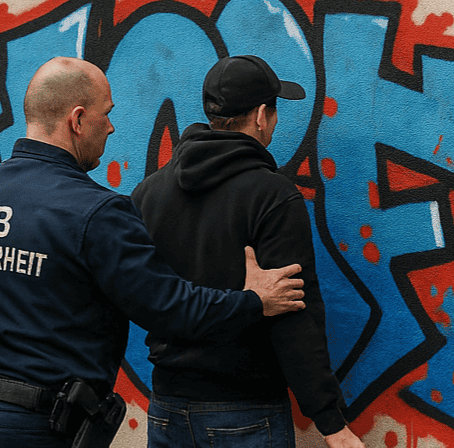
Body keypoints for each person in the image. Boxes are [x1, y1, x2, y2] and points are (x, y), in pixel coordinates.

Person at [0, 56, 307, 447]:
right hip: (40, 428)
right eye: (105, 114)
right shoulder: (95, 212)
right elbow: (171, 308)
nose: (111, 127)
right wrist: (253, 301)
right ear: (77, 121)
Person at [132, 55, 364, 448]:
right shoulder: (273, 196)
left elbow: (137, 294)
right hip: (243, 413)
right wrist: (331, 423)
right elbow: (294, 316)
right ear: (260, 116)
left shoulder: (148, 193)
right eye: (274, 112)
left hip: (166, 407)